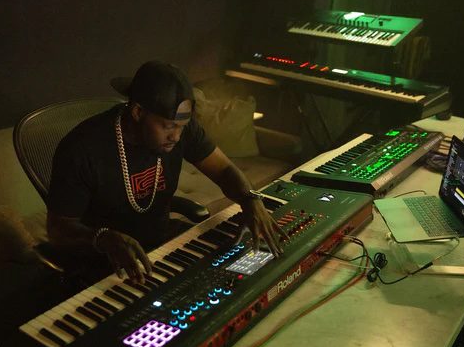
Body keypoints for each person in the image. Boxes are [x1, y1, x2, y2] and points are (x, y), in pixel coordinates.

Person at [46, 60, 287, 284]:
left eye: (182, 126)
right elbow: (58, 231)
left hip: (161, 244)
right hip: (106, 262)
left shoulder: (180, 130)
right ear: (138, 112)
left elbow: (223, 169)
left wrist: (250, 199)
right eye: (168, 126)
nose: (177, 136)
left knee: (236, 278)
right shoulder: (82, 149)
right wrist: (103, 238)